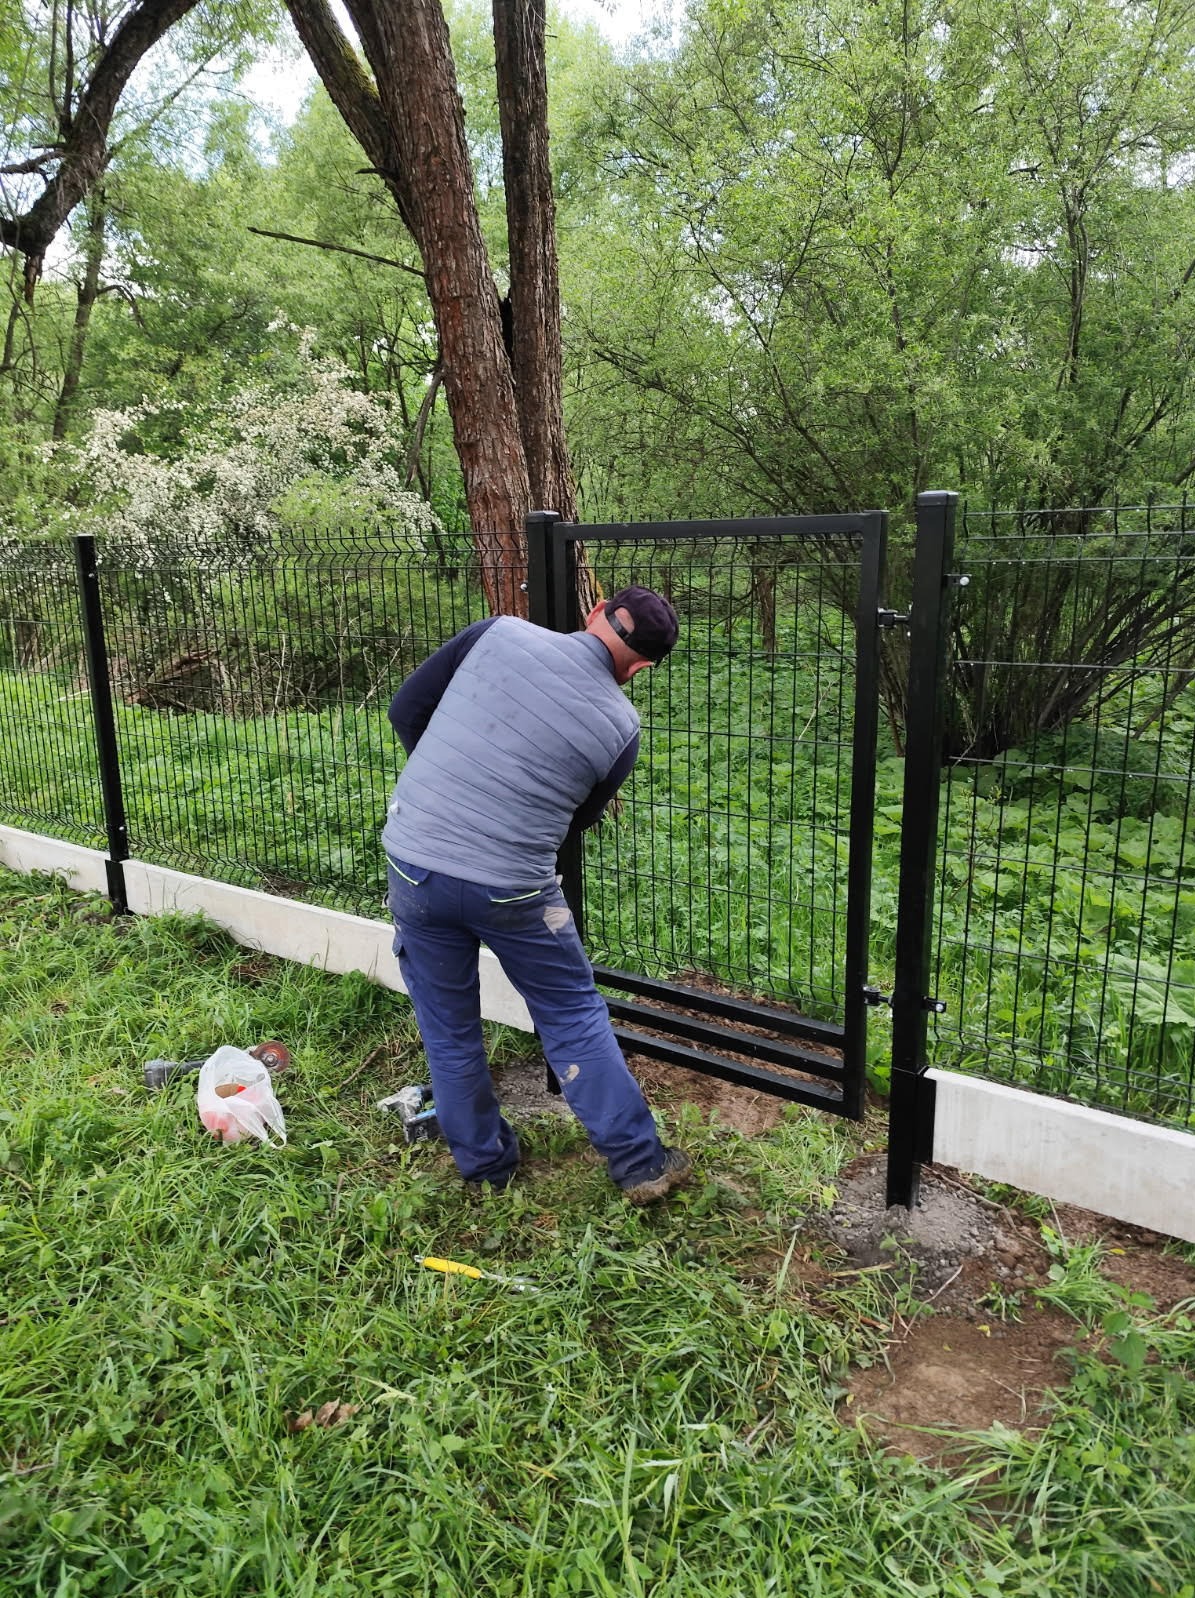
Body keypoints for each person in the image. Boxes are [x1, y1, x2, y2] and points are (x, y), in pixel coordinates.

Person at [382, 586, 692, 1203]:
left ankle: (486, 1167)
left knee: (447, 1026)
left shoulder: (496, 631)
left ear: (595, 613)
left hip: (415, 862)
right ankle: (640, 1164)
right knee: (572, 1013)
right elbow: (576, 818)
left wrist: (455, 793)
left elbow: (405, 709)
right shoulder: (621, 728)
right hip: (513, 889)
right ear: (642, 668)